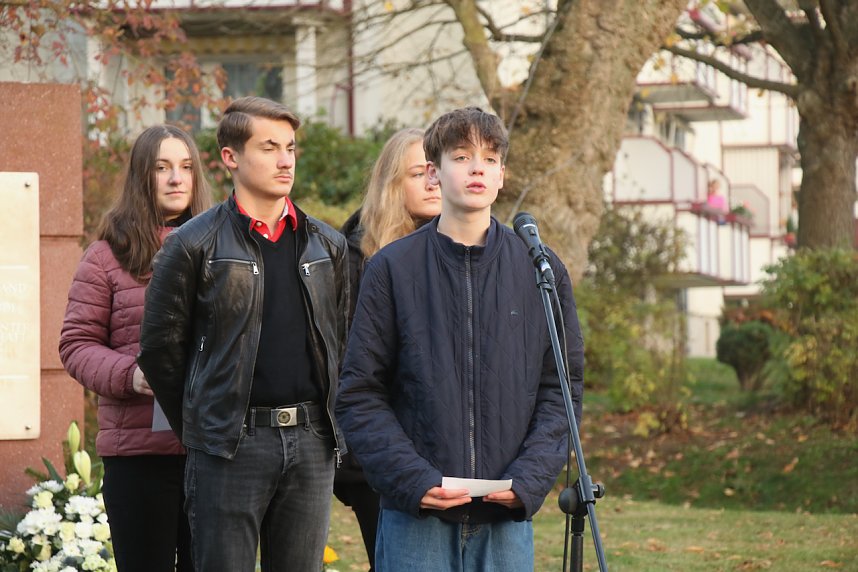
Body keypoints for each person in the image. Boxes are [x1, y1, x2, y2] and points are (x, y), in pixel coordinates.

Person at [336, 107, 584, 571]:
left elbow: (561, 390)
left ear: (502, 175)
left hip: (505, 520)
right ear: (434, 172)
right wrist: (413, 480)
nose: (477, 168)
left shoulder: (539, 269)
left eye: (490, 159)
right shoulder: (391, 269)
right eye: (462, 156)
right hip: (417, 520)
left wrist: (528, 480)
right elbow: (359, 394)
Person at [137, 96, 349, 572]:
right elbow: (159, 353)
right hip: (231, 443)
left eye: (290, 147)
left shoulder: (328, 245)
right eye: (269, 146)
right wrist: (206, 421)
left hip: (313, 439)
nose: (285, 159)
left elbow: (343, 343)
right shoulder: (192, 244)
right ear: (231, 157)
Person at [59, 124, 211, 572]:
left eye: (185, 167)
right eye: (162, 168)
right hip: (140, 456)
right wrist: (132, 375)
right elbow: (76, 344)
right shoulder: (106, 255)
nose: (176, 179)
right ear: (142, 177)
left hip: (215, 451)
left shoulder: (224, 249)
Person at [336, 127, 442, 570]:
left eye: (437, 171)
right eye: (420, 173)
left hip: (442, 455)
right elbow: (349, 365)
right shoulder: (354, 258)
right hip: (376, 459)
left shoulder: (453, 249)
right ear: (392, 185)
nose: (434, 182)